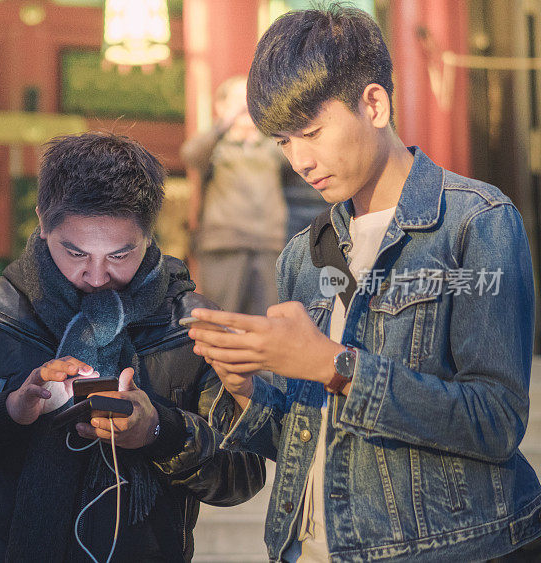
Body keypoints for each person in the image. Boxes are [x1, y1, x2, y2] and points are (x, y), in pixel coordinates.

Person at [187, 5, 541, 562]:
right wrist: (244, 385)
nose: (300, 160)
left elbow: (495, 421)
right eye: (283, 142)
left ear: (373, 104)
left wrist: (336, 365)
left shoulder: (476, 222)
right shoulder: (301, 256)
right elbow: (301, 438)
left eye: (310, 132)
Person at [0, 132, 265, 562]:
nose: (96, 277)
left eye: (119, 255)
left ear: (150, 234)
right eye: (75, 254)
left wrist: (158, 431)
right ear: (42, 222)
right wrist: (7, 412)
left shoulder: (193, 325)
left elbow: (243, 474)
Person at [181, 75, 289, 315]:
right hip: (224, 246)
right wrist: (225, 124)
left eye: (250, 99)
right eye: (239, 100)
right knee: (222, 318)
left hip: (269, 245)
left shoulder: (270, 144)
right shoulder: (215, 145)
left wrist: (265, 123)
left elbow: (296, 160)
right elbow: (190, 154)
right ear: (221, 106)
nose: (245, 106)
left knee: (267, 321)